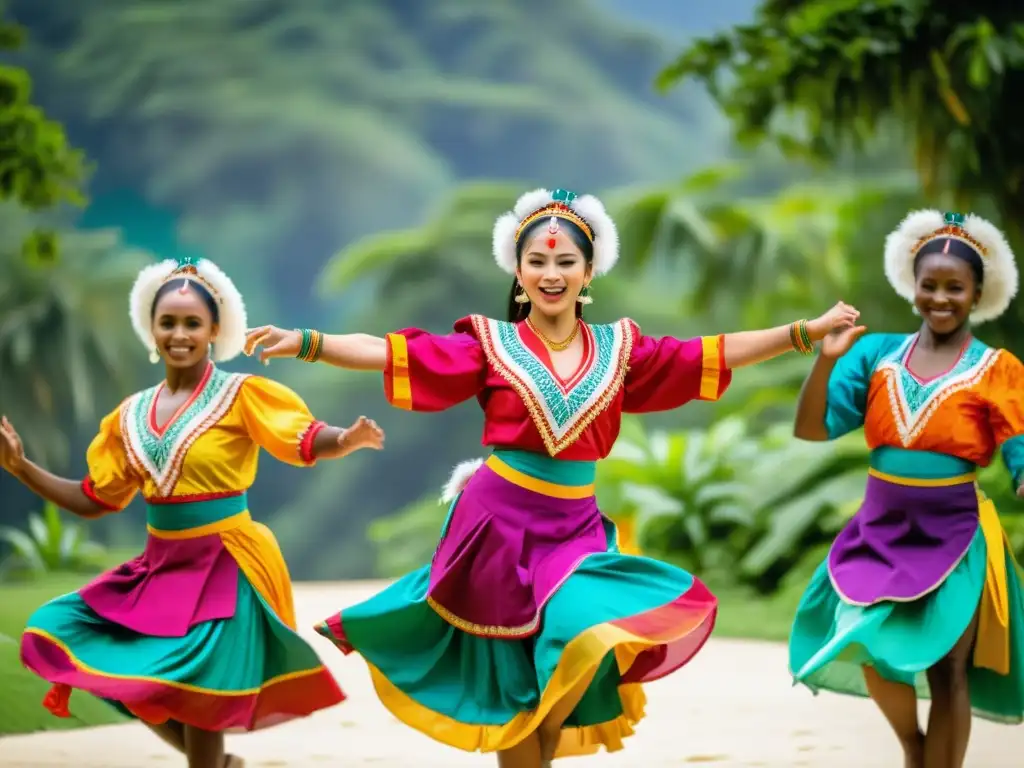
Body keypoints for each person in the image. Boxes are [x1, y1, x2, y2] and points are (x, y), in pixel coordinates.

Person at [245, 187, 860, 767]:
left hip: (575, 534)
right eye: (537, 260)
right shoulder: (488, 345)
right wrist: (305, 341)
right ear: (518, 272)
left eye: (566, 260)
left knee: (573, 642)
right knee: (517, 694)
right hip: (496, 530)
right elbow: (392, 352)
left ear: (588, 273)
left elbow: (712, 352)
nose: (551, 272)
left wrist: (803, 333)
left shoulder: (622, 352)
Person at [1, 254, 385, 768]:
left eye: (191, 323)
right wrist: (21, 466)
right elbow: (95, 498)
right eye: (168, 322)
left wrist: (347, 439)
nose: (179, 333)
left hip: (227, 563)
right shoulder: (129, 415)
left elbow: (305, 437)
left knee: (198, 694)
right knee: (73, 638)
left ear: (214, 330)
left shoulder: (241, 394)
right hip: (160, 568)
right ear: (152, 329)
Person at [789, 210, 1024, 768]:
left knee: (950, 670)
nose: (940, 298)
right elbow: (810, 427)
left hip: (956, 534)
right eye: (930, 285)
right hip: (880, 529)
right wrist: (824, 364)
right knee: (868, 644)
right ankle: (913, 749)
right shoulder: (875, 356)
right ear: (912, 286)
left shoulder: (997, 368)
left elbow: (1019, 441)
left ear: (976, 293)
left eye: (955, 288)